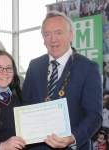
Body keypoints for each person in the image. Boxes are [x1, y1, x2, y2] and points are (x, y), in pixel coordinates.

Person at [22, 11, 103, 150]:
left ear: (70, 35)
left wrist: (73, 138)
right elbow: (25, 104)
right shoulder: (34, 65)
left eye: (58, 33)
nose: (53, 39)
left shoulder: (89, 68)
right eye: (47, 34)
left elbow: (94, 115)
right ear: (43, 38)